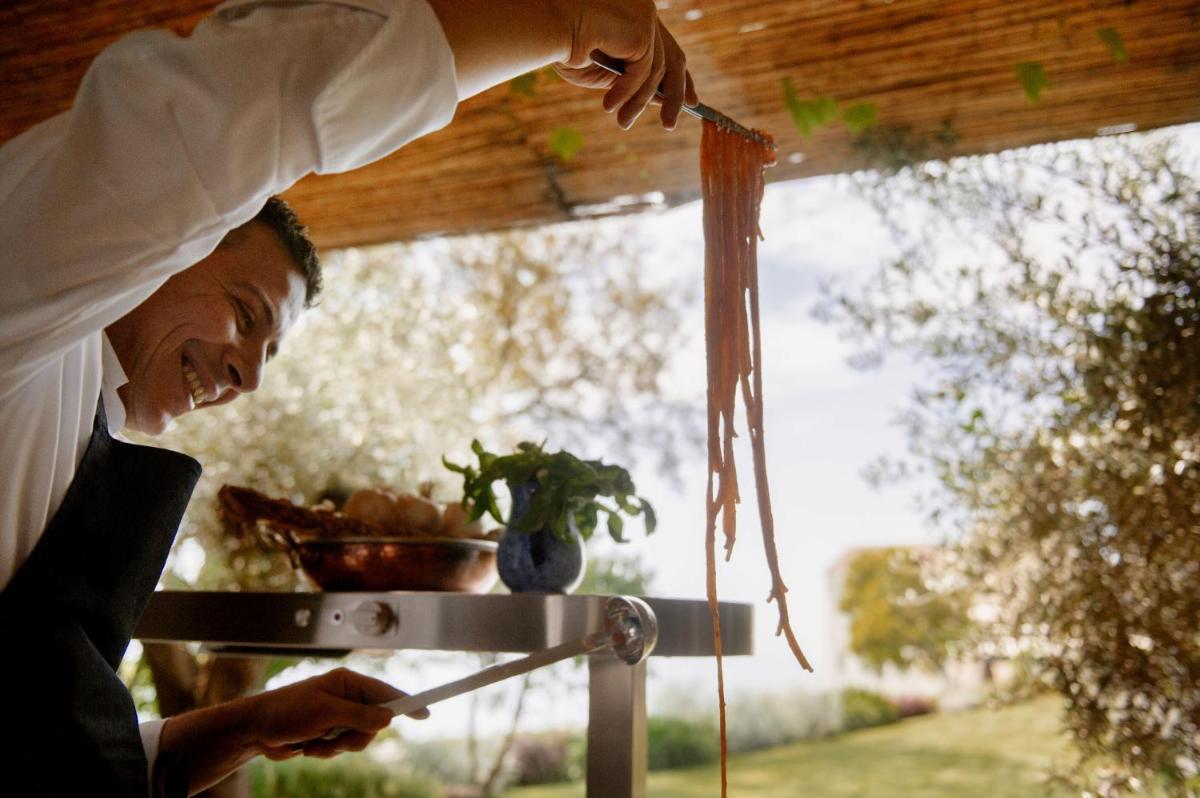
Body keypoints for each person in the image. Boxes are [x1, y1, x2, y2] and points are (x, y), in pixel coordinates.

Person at [0, 0, 696, 794]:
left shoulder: (77, 420)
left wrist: (250, 725)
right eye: (246, 315)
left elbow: (39, 748)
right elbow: (215, 123)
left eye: (267, 353)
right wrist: (560, 19)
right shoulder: (18, 310)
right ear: (174, 244)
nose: (248, 378)